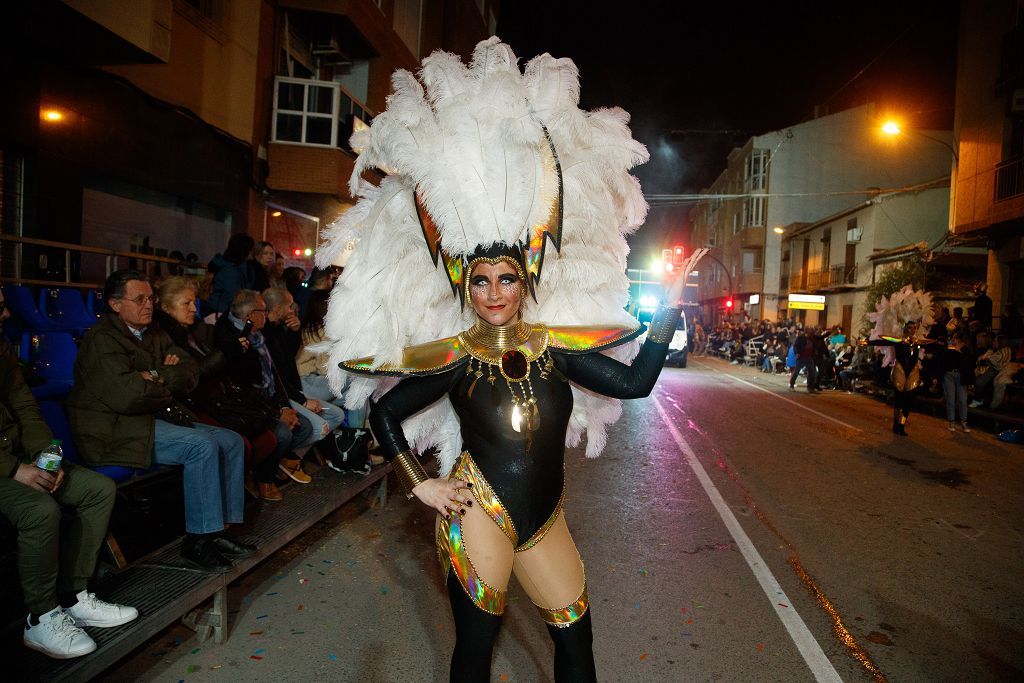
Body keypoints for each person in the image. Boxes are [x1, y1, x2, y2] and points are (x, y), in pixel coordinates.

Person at [314, 39, 705, 682]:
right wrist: (423, 483)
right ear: (466, 287)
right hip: (480, 516)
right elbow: (385, 416)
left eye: (506, 280)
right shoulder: (455, 357)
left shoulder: (556, 350)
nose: (495, 294)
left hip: (545, 516)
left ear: (526, 283)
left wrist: (668, 317)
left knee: (576, 643)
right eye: (482, 282)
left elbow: (635, 384)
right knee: (474, 651)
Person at [68, 270, 252, 572]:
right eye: (139, 299)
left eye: (150, 298)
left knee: (230, 441)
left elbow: (191, 371)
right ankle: (198, 540)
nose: (148, 304)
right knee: (201, 446)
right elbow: (128, 396)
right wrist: (166, 378)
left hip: (152, 418)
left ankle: (219, 530)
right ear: (115, 304)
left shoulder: (154, 333)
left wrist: (153, 376)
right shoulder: (101, 340)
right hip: (115, 429)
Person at [0, 292, 138, 660]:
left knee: (98, 489)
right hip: (4, 467)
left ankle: (74, 595)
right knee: (40, 509)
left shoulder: (1, 347)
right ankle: (40, 616)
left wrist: (46, 458)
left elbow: (24, 407)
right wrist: (14, 470)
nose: (7, 311)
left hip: (18, 457)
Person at [154, 277, 283, 498]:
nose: (194, 309)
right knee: (239, 443)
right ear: (166, 307)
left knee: (270, 436)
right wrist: (224, 354)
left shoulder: (198, 332)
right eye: (186, 303)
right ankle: (226, 498)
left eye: (194, 302)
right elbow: (187, 378)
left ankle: (234, 494)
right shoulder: (162, 338)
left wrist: (231, 353)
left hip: (217, 398)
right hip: (190, 406)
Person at [213, 289, 314, 493]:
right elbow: (245, 389)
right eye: (263, 310)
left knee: (305, 427)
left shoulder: (258, 335)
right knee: (283, 432)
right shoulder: (232, 340)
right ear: (250, 315)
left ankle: (277, 464)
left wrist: (285, 405)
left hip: (269, 402)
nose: (266, 314)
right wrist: (278, 412)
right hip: (246, 408)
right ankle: (262, 476)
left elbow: (277, 374)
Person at [207, 233, 256, 315]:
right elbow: (234, 297)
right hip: (222, 313)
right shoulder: (230, 270)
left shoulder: (241, 267)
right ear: (244, 250)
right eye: (251, 249)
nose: (253, 252)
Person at [942, 331, 974, 432]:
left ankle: (964, 422)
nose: (953, 340)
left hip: (961, 376)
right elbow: (944, 361)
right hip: (949, 375)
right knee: (950, 399)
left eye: (954, 339)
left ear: (958, 339)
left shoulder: (966, 350)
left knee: (962, 400)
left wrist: (961, 355)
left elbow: (969, 365)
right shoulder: (950, 348)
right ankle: (951, 422)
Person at [971, 334, 1011, 409]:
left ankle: (978, 399)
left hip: (998, 370)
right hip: (992, 368)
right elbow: (984, 359)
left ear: (1001, 342)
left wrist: (984, 359)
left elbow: (993, 361)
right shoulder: (994, 350)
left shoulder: (1005, 350)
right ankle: (980, 398)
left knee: (979, 382)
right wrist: (984, 359)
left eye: (995, 341)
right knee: (978, 379)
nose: (993, 342)